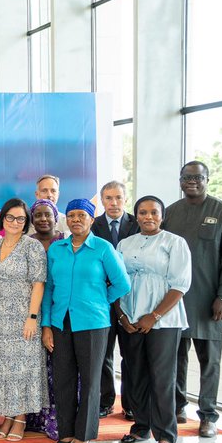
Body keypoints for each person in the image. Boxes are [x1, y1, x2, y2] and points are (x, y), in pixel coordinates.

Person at [42, 199, 131, 443]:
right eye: (71, 216)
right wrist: (46, 325)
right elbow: (49, 288)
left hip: (93, 322)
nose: (76, 220)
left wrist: (102, 301)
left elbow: (122, 284)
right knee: (63, 379)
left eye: (82, 215)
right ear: (66, 220)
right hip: (60, 322)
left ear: (92, 220)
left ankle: (84, 433)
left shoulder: (102, 248)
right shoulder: (56, 249)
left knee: (91, 380)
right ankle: (67, 431)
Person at [163, 160, 222, 438]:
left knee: (210, 362)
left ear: (208, 179)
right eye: (186, 177)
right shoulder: (170, 213)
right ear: (180, 180)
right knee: (176, 359)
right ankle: (177, 407)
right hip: (176, 301)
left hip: (210, 302)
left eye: (197, 177)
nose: (191, 181)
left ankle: (208, 415)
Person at [117, 195, 192, 443]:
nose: (148, 216)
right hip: (130, 316)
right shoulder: (125, 243)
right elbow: (115, 280)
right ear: (135, 215)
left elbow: (180, 284)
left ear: (162, 216)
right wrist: (122, 316)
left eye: (154, 212)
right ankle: (141, 427)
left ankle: (166, 434)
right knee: (135, 373)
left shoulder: (175, 243)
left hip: (164, 320)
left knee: (162, 377)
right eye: (143, 212)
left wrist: (155, 315)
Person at [0, 199, 48, 442]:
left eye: (20, 219)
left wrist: (32, 317)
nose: (15, 222)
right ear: (2, 219)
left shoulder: (31, 246)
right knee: (3, 369)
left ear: (26, 222)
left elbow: (38, 283)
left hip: (25, 315)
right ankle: (7, 417)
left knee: (22, 368)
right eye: (10, 217)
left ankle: (20, 418)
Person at [91, 180, 139, 420]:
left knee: (130, 354)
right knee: (104, 354)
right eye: (108, 198)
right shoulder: (93, 225)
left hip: (130, 300)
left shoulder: (138, 223)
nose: (113, 203)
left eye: (118, 197)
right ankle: (106, 400)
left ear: (125, 199)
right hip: (102, 301)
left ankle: (130, 403)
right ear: (102, 201)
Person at [26, 199, 64, 440]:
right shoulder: (25, 243)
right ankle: (34, 417)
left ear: (55, 217)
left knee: (60, 365)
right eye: (37, 215)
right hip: (30, 310)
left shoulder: (66, 242)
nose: (42, 219)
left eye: (47, 215)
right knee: (35, 365)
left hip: (59, 310)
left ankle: (58, 418)